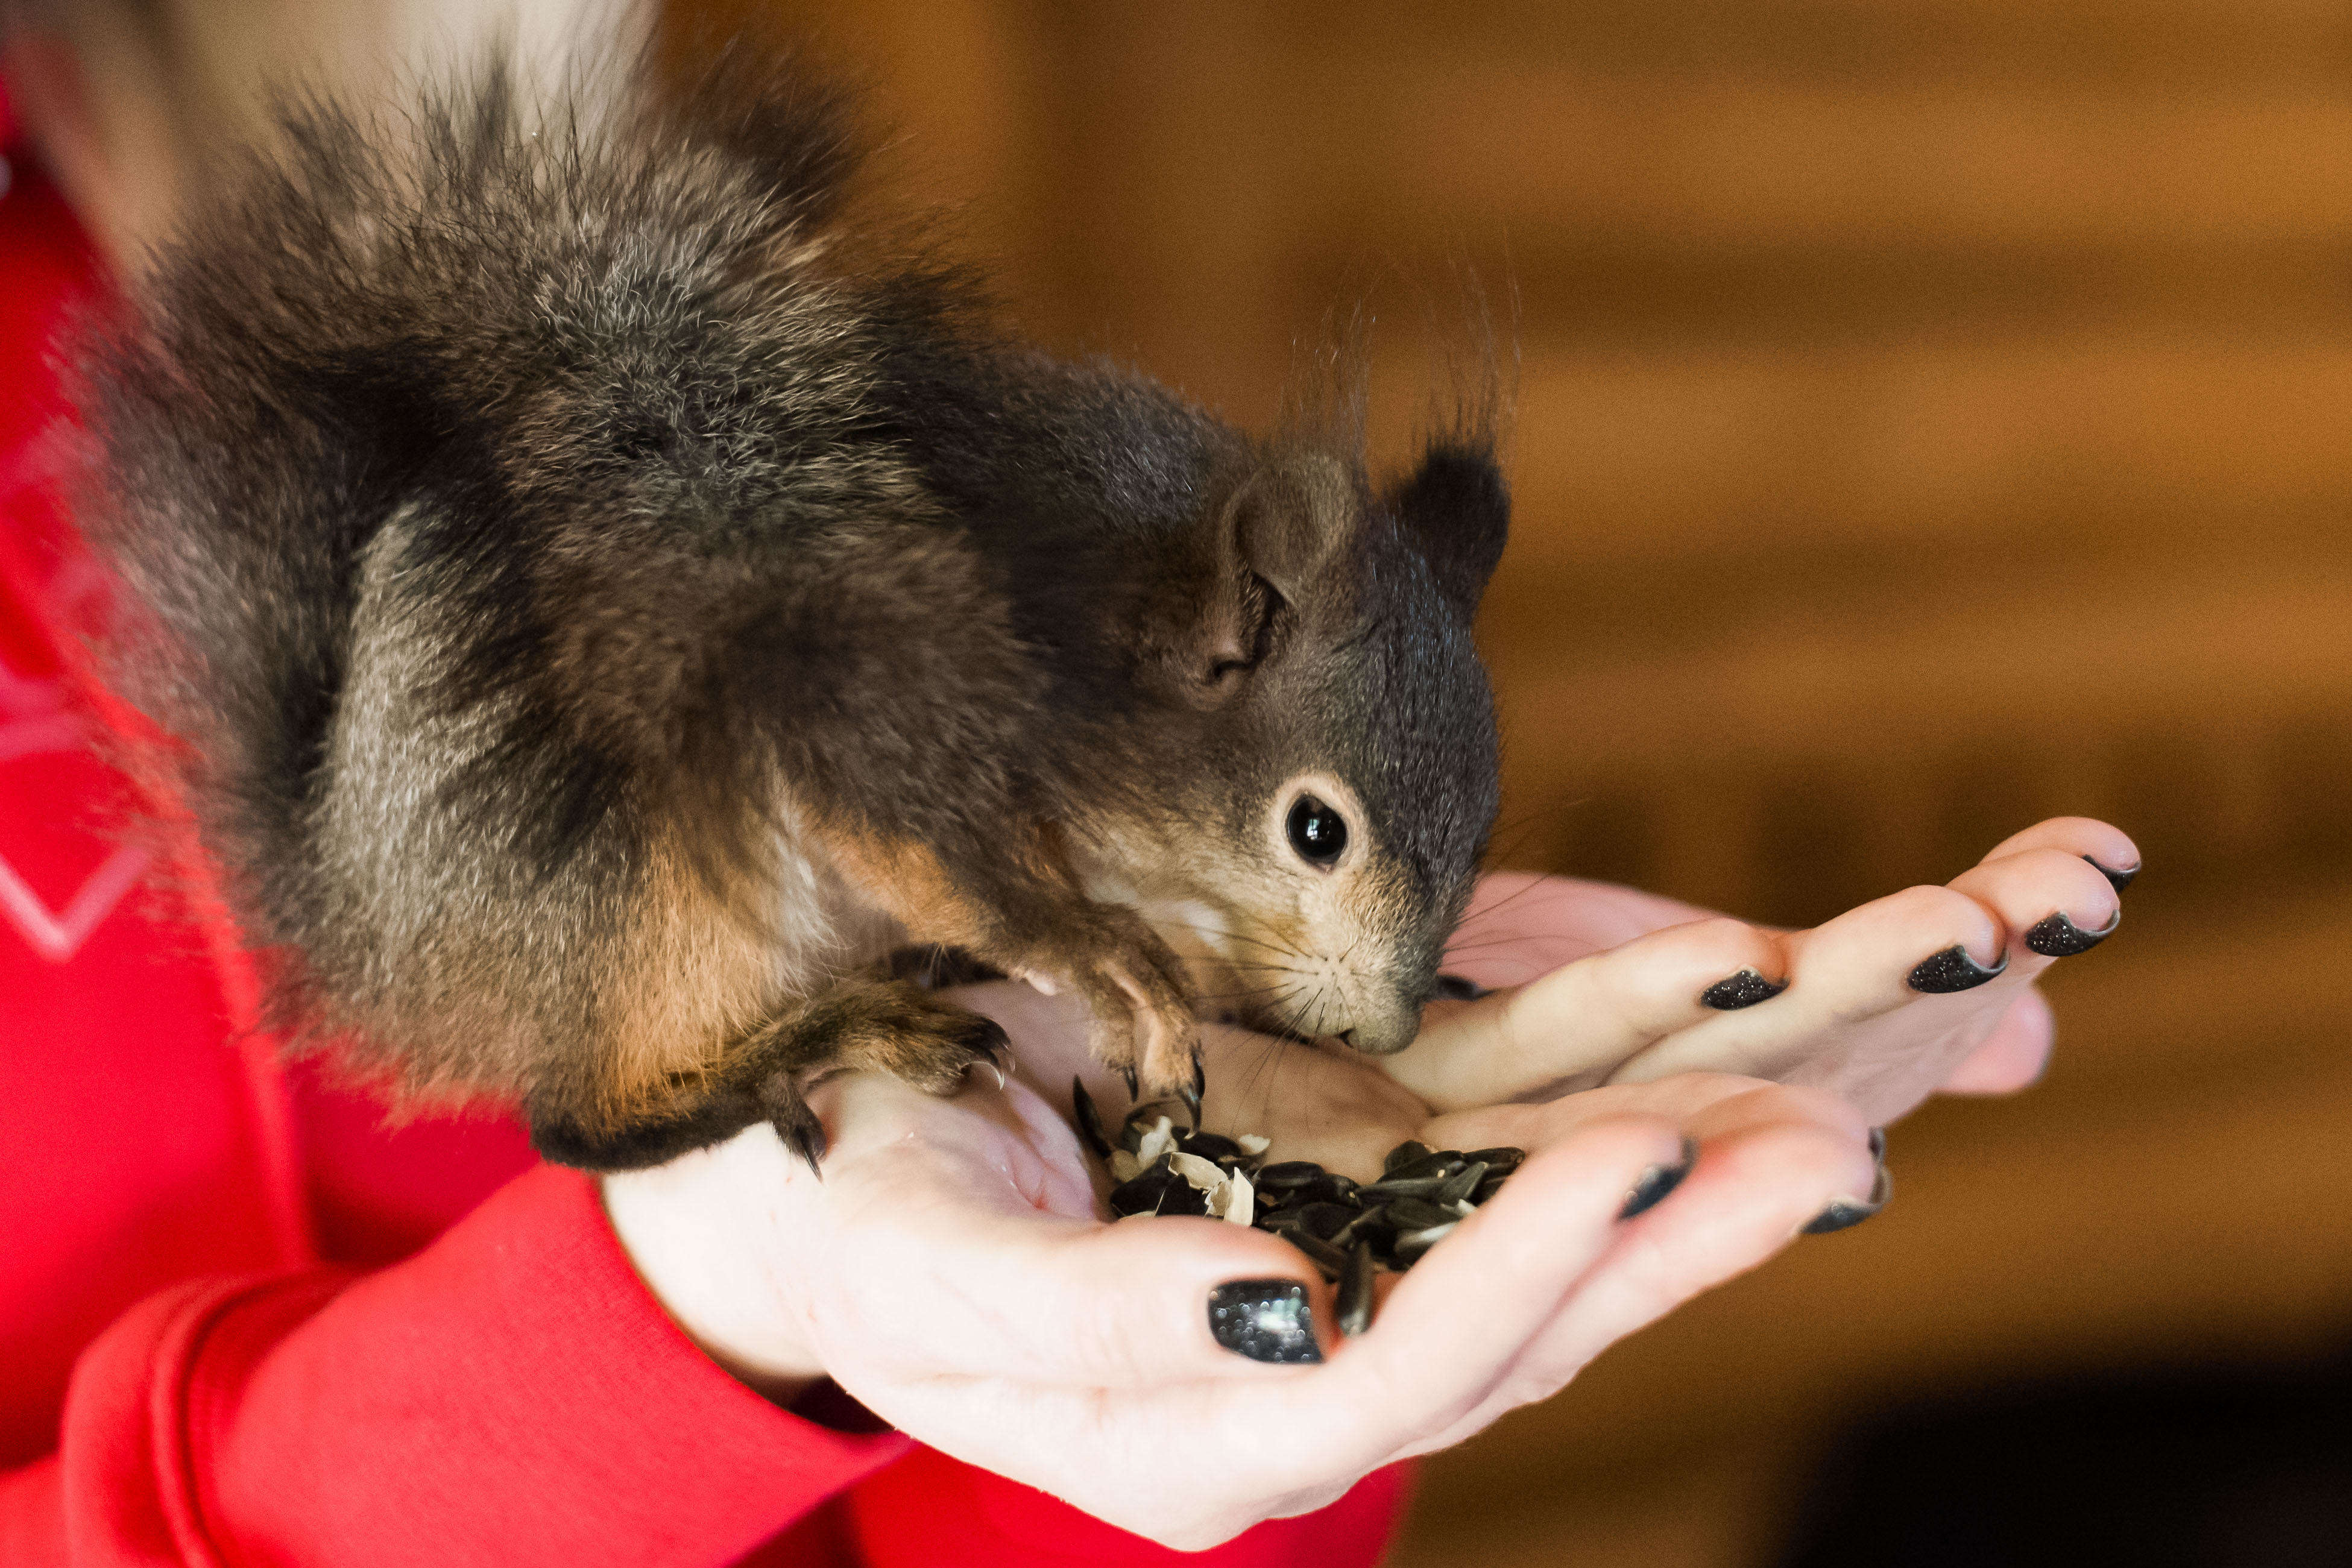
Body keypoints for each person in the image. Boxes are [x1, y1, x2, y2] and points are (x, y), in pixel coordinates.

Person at [0, 11, 2138, 1563]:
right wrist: (677, 1323)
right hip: (538, 884)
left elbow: (998, 1402)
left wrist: (1241, 1304)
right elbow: (858, 771)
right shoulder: (995, 687)